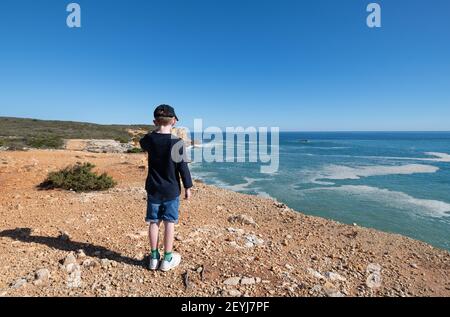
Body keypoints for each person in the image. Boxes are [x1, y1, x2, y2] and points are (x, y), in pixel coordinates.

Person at [139, 104, 193, 271]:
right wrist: (188, 187)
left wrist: (154, 130)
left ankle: (154, 257)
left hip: (153, 189)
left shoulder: (149, 140)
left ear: (155, 121)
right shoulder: (177, 143)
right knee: (170, 223)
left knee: (154, 222)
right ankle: (167, 259)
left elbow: (143, 142)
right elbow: (183, 167)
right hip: (171, 190)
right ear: (174, 121)